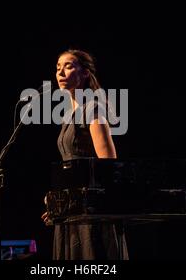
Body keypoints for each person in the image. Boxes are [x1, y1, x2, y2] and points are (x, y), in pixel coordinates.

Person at [41, 49, 129, 260]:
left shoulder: (93, 111)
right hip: (72, 212)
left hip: (91, 215)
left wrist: (80, 202)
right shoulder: (68, 116)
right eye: (58, 67)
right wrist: (59, 202)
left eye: (69, 66)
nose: (61, 72)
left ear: (85, 74)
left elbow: (108, 167)